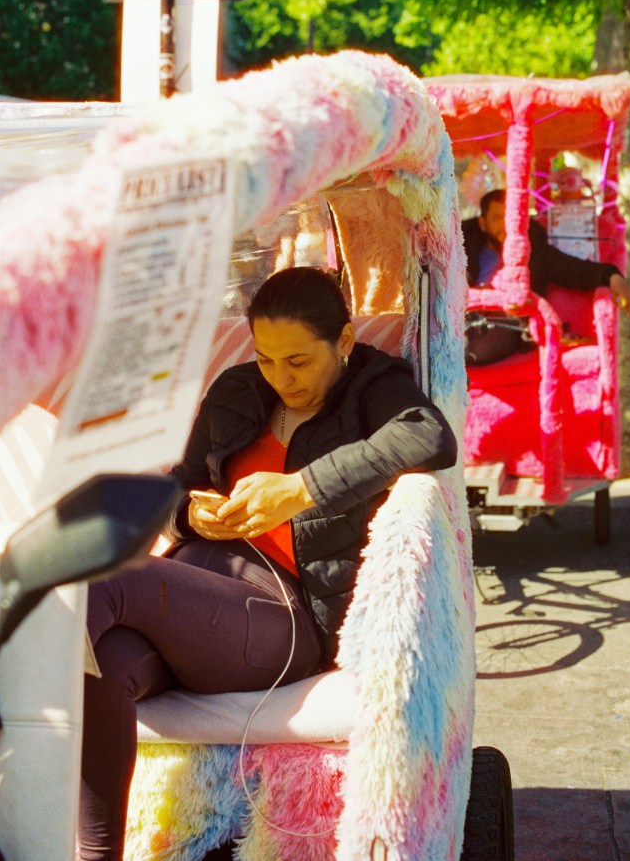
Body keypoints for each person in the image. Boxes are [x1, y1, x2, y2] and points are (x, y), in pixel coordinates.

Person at [79, 266, 457, 861]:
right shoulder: (237, 389)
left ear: (345, 343)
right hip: (197, 591)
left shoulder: (374, 389)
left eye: (299, 362)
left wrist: (299, 488)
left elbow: (429, 438)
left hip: (283, 616)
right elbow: (181, 485)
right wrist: (193, 516)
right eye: (267, 359)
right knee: (99, 663)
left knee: (99, 584)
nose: (282, 378)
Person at [462, 189, 630, 365]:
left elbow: (572, 269)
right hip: (464, 318)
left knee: (472, 346)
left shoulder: (534, 251)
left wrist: (610, 275)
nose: (505, 225)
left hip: (504, 325)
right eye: (497, 218)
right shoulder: (463, 248)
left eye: (508, 217)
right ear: (483, 223)